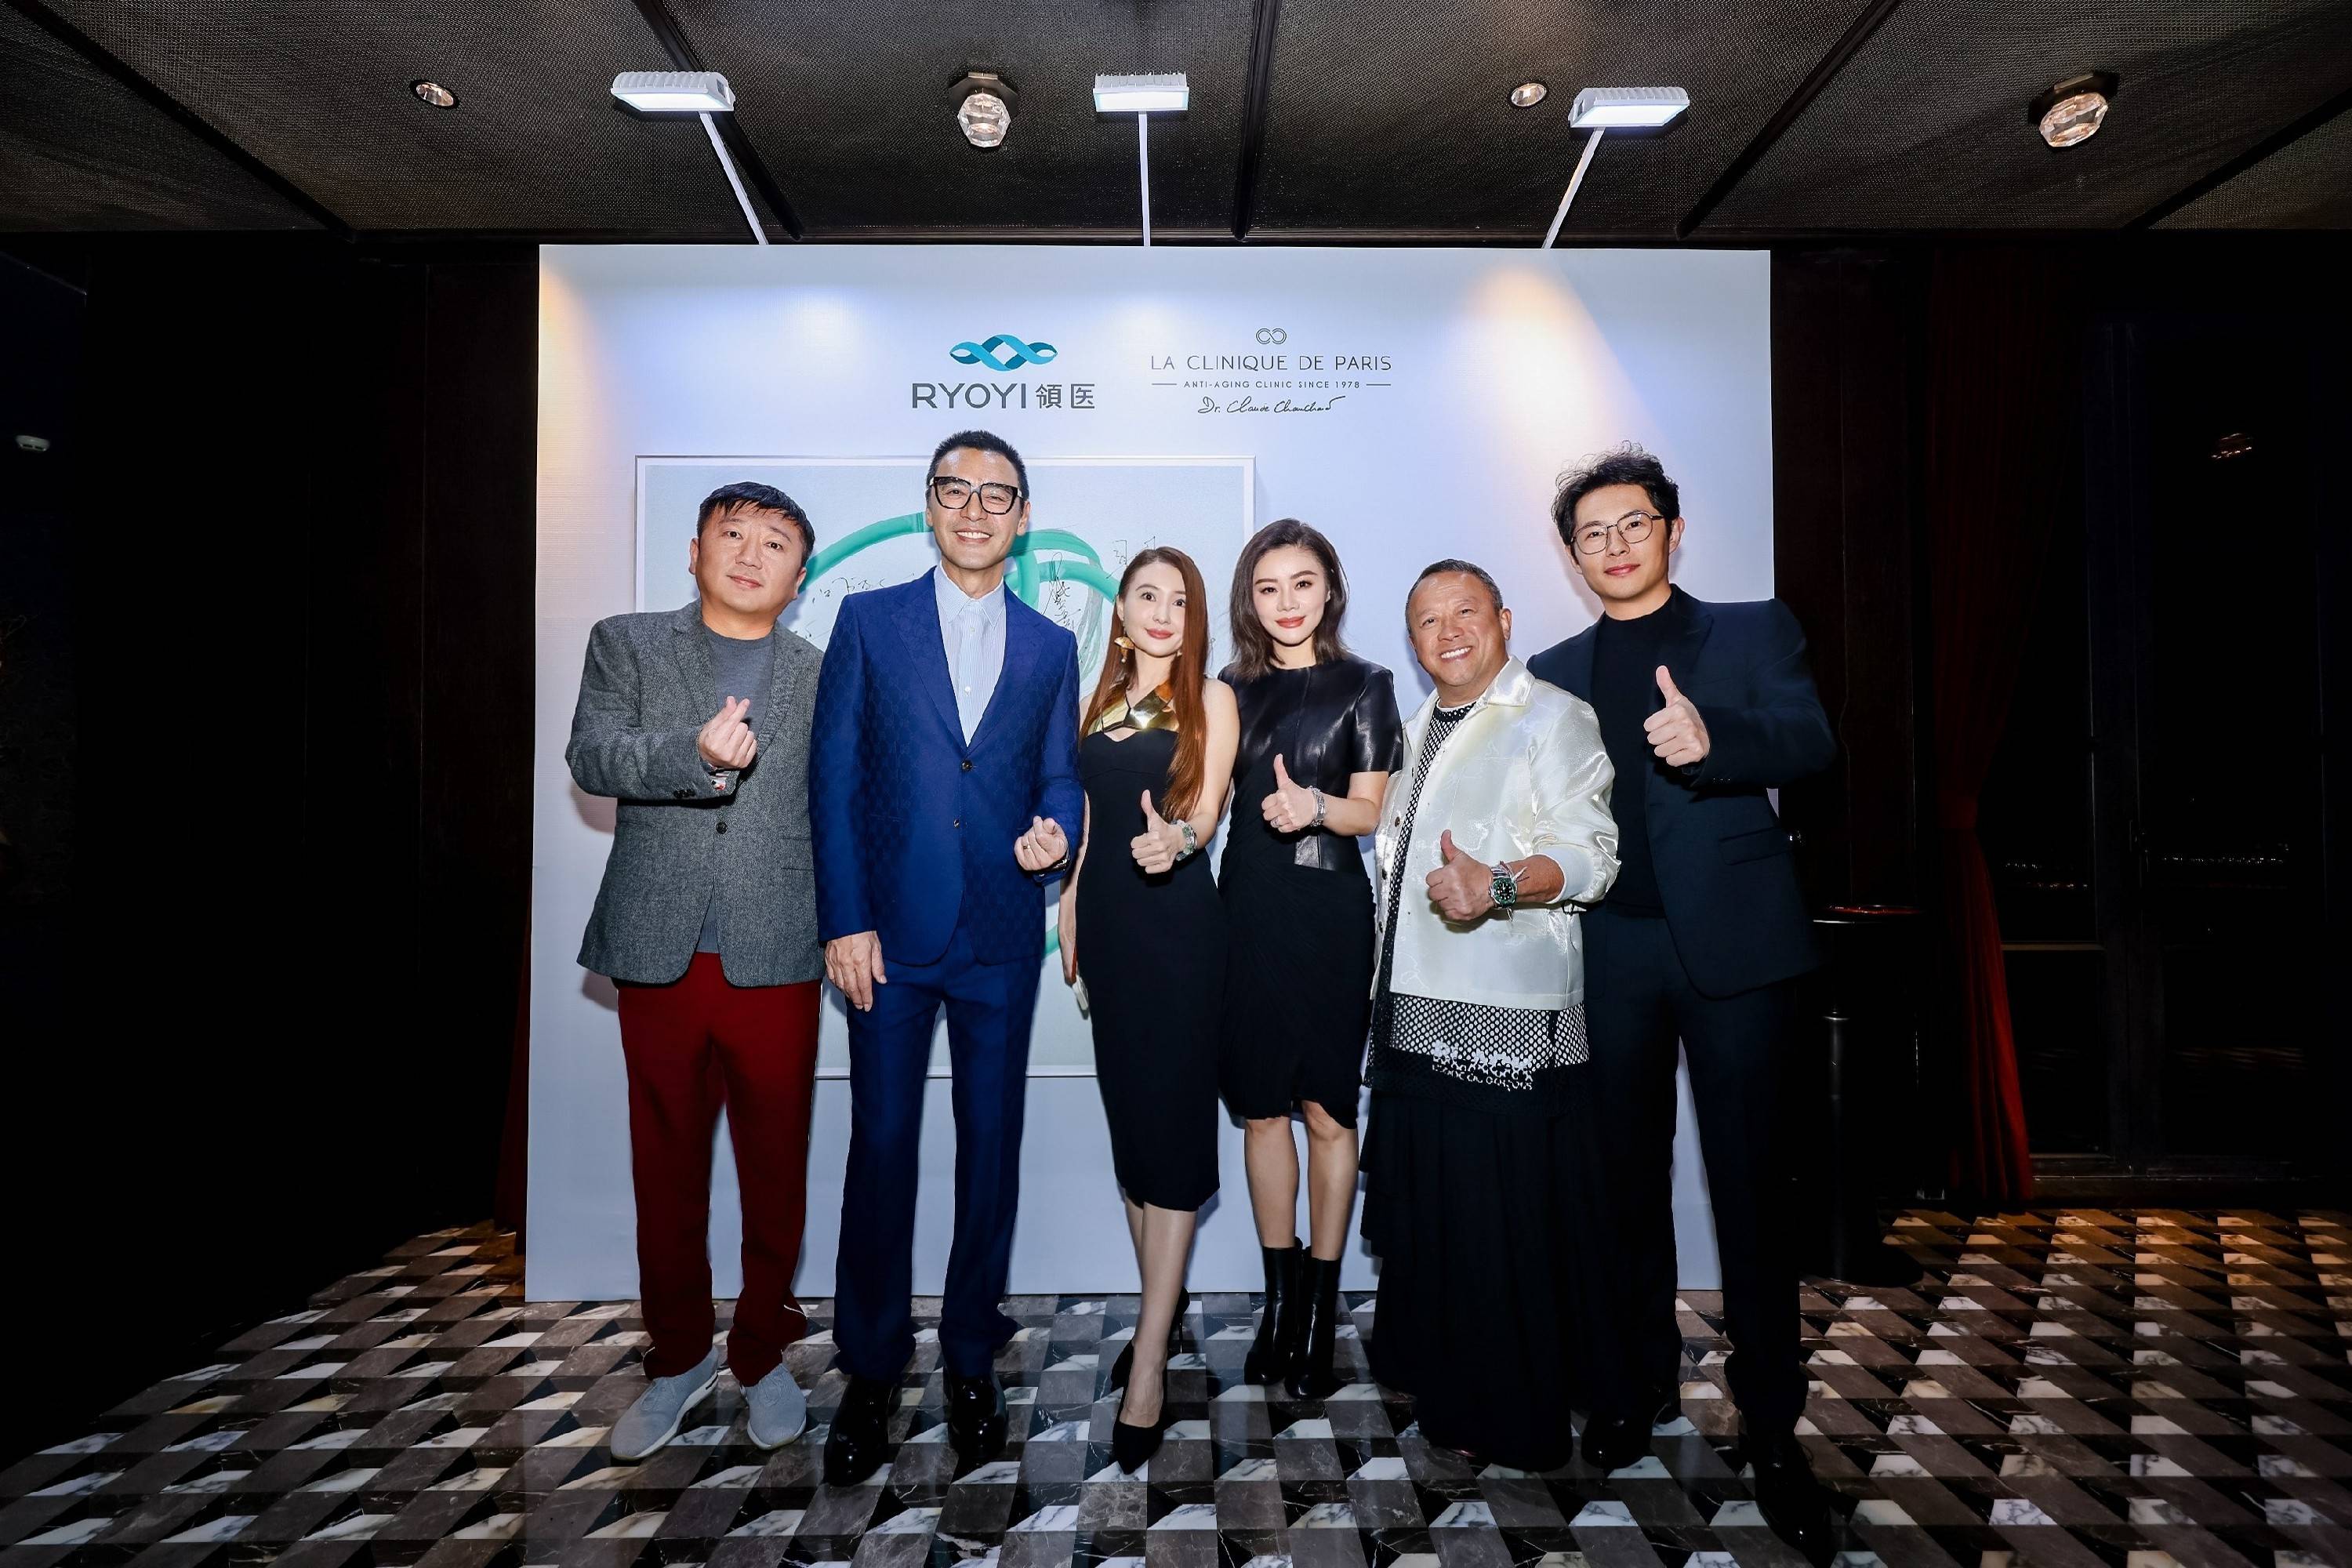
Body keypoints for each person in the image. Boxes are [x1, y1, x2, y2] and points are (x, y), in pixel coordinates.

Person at [1528, 445, 1837, 1559]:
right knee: (1621, 1186)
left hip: (1738, 952)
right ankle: (1633, 1389)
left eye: (1633, 524)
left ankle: (1773, 1424)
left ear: (1672, 528)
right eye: (1593, 534)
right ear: (1572, 556)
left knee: (1753, 1192)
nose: (1614, 546)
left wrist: (1716, 743)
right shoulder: (1553, 670)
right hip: (1608, 950)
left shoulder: (1750, 632)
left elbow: (1810, 740)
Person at [809, 430, 1084, 1484]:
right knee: (880, 1148)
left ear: (1023, 516)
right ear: (929, 505)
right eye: (954, 490)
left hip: (1001, 938)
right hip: (885, 938)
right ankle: (872, 1366)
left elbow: (1058, 775)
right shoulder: (869, 622)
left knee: (990, 1149)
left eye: (996, 494)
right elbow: (833, 780)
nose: (974, 509)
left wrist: (1059, 831)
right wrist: (844, 919)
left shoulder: (1050, 646)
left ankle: (972, 1353)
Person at [565, 481, 826, 1462]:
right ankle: (676, 1354)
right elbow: (593, 755)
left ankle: (760, 1349)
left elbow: (844, 804)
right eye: (734, 534)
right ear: (695, 549)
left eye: (776, 543)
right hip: (659, 949)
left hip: (778, 947)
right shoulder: (627, 643)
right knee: (667, 1165)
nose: (752, 554)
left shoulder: (820, 672)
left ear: (800, 574)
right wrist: (693, 752)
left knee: (776, 1167)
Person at [1359, 560, 1618, 1472]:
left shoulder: (1553, 716)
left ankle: (1511, 1412)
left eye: (1464, 610)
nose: (1448, 631)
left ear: (1504, 619)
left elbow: (1591, 857)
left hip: (1503, 1010)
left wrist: (1498, 884)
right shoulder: (1416, 726)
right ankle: (1446, 1381)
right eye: (1427, 619)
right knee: (1440, 1212)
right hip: (1413, 1007)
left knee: (1500, 1221)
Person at [1057, 546, 1239, 1472]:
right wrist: (1069, 903)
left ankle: (1150, 1362)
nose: (1164, 611)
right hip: (1111, 934)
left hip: (1179, 931)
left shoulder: (1211, 698)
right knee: (1134, 1142)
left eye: (1180, 599)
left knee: (1170, 1145)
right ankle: (1158, 1317)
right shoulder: (1096, 701)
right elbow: (1088, 820)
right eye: (1147, 596)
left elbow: (1206, 810)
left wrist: (1181, 839)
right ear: (1122, 612)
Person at [1215, 521, 1401, 1396]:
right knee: (1261, 1111)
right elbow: (1203, 800)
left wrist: (1315, 807)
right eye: (1268, 587)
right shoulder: (1229, 688)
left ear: (1330, 588)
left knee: (1327, 1110)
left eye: (1302, 583)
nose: (1286, 602)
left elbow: (1371, 811)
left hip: (1329, 915)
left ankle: (1323, 1311)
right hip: (1247, 909)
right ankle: (1281, 1301)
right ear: (1248, 600)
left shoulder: (1367, 683)